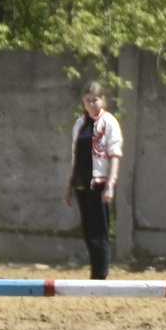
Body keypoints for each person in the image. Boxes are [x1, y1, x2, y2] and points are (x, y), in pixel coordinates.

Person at [63, 81, 123, 279]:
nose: (91, 104)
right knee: (88, 232)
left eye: (95, 100)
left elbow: (115, 154)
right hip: (82, 182)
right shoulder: (80, 125)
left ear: (103, 100)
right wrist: (69, 184)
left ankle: (100, 275)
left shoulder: (109, 123)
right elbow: (75, 155)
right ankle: (94, 272)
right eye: (88, 100)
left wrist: (110, 184)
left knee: (100, 232)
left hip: (99, 183)